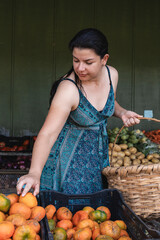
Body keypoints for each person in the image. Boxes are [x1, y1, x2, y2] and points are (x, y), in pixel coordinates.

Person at [17, 28, 142, 196]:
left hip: (98, 156)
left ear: (104, 59)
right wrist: (34, 173)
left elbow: (106, 102)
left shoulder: (112, 75)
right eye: (76, 60)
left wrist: (122, 112)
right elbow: (47, 134)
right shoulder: (69, 89)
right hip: (69, 162)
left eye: (88, 62)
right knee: (70, 214)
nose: (80, 68)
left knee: (96, 215)